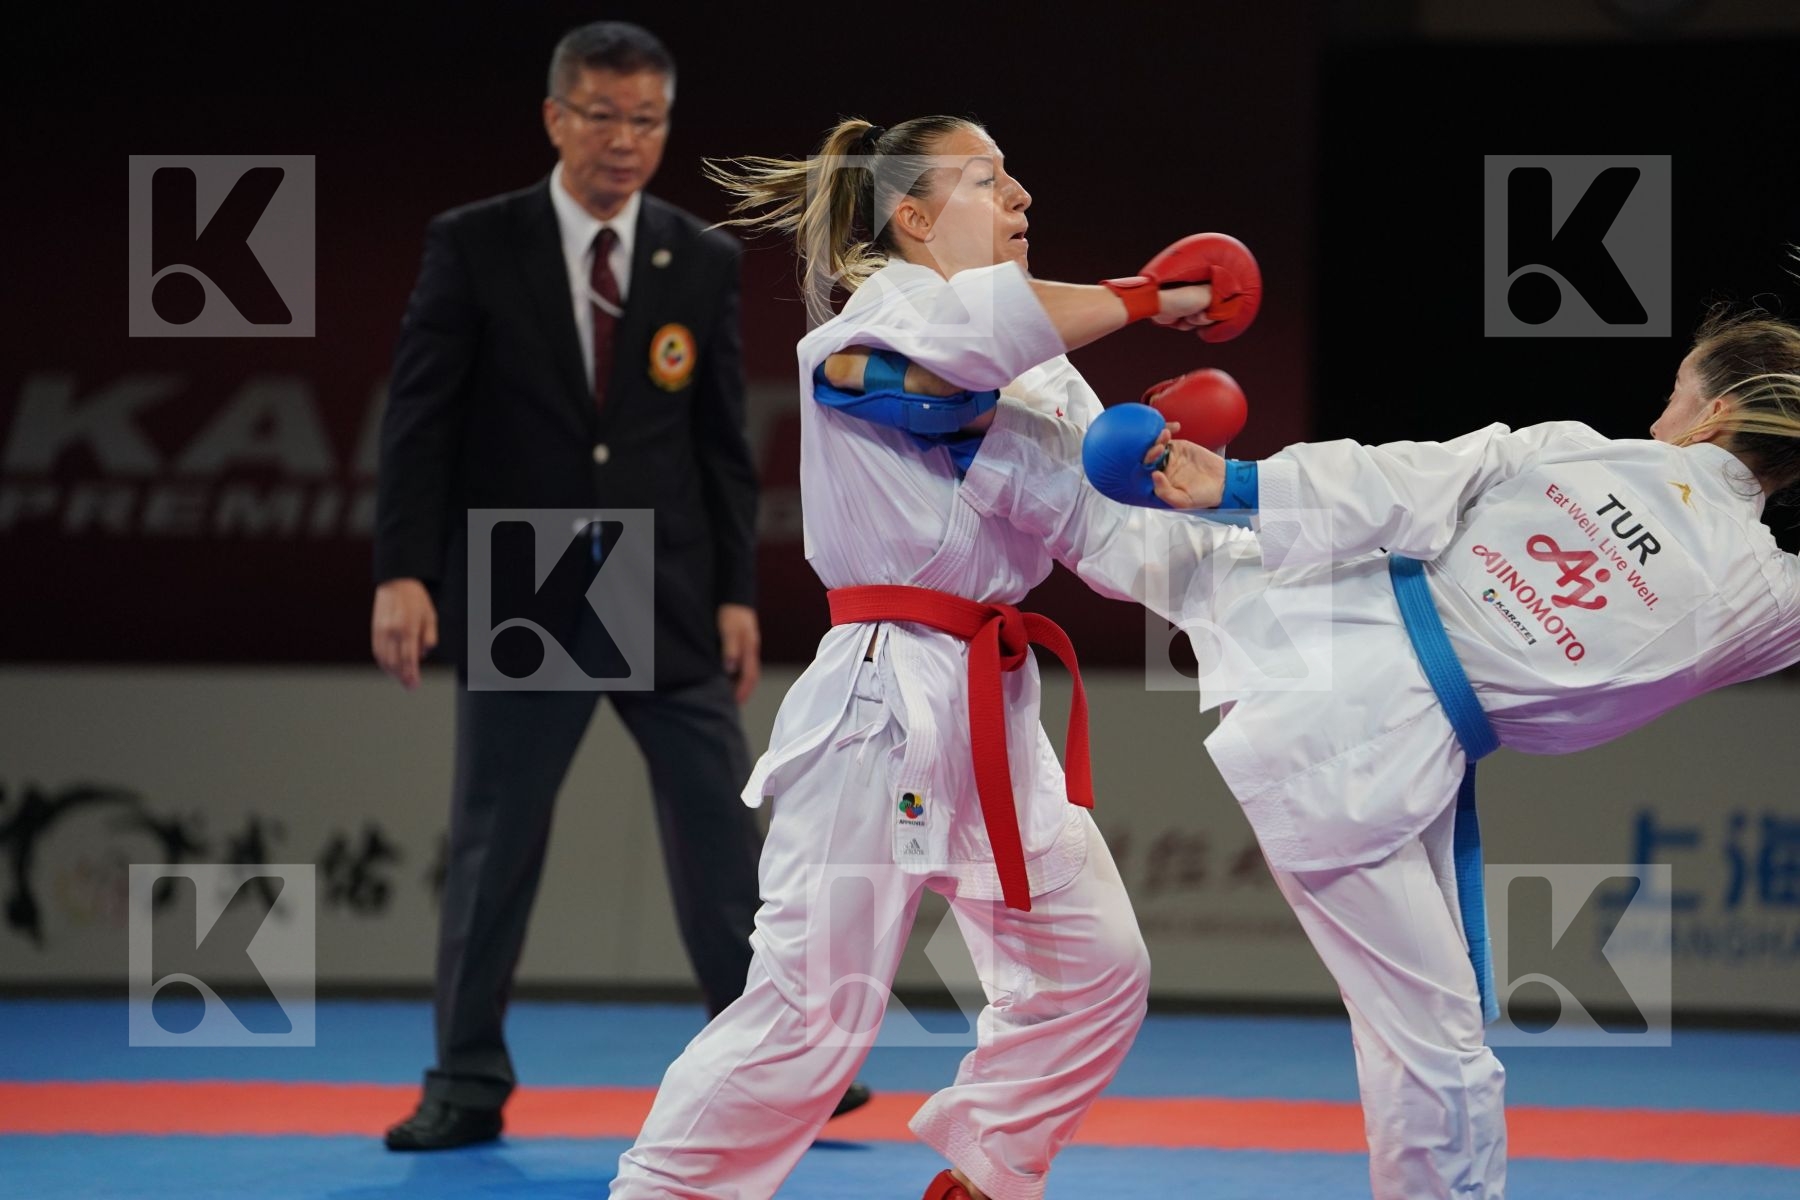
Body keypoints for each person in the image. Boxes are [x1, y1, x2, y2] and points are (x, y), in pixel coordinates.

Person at [835, 305, 1800, 1198]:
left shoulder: (1583, 454)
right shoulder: (1767, 595)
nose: (1662, 410)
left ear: (1713, 413)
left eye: (1677, 391)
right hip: (1365, 746)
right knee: (1435, 1042)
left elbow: (1400, 480)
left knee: (1148, 531)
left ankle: (979, 389)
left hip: (1332, 641)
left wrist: (1238, 485)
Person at [608, 115, 1248, 1200]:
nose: (1022, 197)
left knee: (1094, 972)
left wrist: (1216, 505)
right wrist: (1151, 296)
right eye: (989, 179)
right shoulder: (871, 326)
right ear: (911, 216)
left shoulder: (1043, 375)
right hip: (880, 703)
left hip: (993, 711)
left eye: (1016, 178)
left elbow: (1115, 545)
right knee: (813, 1015)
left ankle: (984, 1175)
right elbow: (973, 342)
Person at [370, 21, 851, 1150]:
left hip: (672, 578)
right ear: (556, 118)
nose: (624, 141)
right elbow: (419, 423)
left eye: (646, 121)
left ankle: (771, 1071)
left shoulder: (701, 256)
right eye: (602, 116)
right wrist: (404, 570)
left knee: (724, 838)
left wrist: (738, 592)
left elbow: (721, 445)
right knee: (497, 841)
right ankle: (467, 1079)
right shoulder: (476, 244)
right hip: (530, 572)